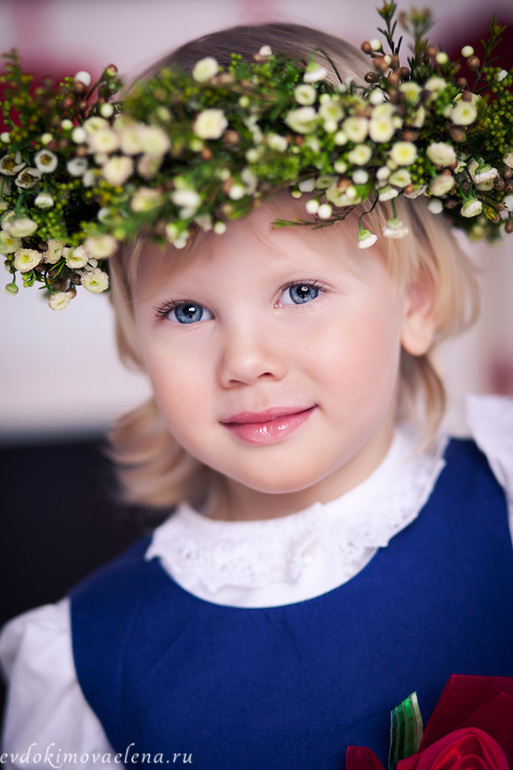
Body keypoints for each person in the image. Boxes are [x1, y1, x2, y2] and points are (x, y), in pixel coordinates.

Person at [1, 8, 512, 769]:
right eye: (186, 310)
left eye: (300, 292)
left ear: (414, 302)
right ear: (135, 342)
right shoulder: (82, 657)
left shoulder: (503, 485)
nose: (245, 360)